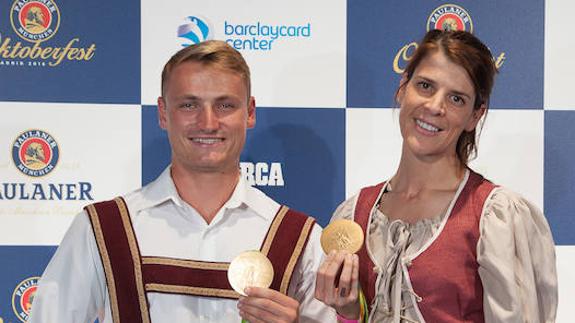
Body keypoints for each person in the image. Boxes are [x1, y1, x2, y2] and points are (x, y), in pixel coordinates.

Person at [29, 40, 335, 323]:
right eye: (189, 105)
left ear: (250, 113)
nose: (208, 123)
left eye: (225, 105)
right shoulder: (100, 228)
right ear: (163, 113)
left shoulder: (301, 239)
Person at [315, 30, 557, 322]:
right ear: (403, 88)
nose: (434, 107)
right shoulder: (354, 214)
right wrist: (350, 314)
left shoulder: (496, 217)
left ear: (474, 116)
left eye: (456, 98)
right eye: (425, 86)